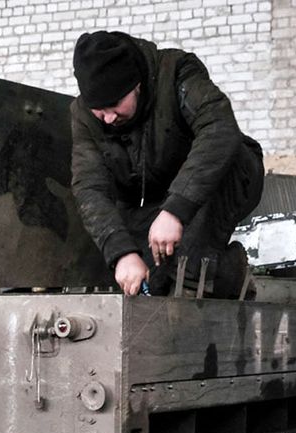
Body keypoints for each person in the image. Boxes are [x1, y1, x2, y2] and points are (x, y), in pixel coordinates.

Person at [70, 30, 266, 297]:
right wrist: (121, 253)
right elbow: (89, 187)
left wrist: (175, 210)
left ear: (136, 84)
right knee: (155, 284)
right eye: (98, 110)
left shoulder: (176, 73)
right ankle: (227, 274)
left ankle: (190, 282)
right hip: (151, 206)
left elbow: (219, 127)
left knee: (236, 155)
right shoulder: (83, 115)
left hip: (207, 193)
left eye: (114, 105)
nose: (106, 118)